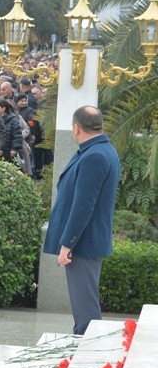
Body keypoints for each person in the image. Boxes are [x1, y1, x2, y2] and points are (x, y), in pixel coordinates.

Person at [42, 105, 121, 335]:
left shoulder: (94, 155)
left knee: (85, 312)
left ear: (76, 128)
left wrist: (68, 243)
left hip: (83, 244)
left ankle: (88, 360)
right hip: (87, 241)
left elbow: (83, 205)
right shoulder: (99, 150)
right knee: (84, 305)